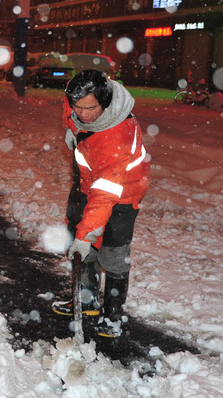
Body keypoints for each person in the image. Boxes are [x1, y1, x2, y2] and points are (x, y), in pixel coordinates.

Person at [51, 70, 150, 338]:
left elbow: (105, 193)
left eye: (90, 108)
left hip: (121, 195)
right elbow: (68, 104)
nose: (83, 114)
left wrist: (86, 235)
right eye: (78, 107)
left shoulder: (115, 137)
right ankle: (86, 301)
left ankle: (113, 316)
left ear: (104, 102)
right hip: (87, 185)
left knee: (113, 255)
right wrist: (70, 127)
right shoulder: (77, 98)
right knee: (85, 245)